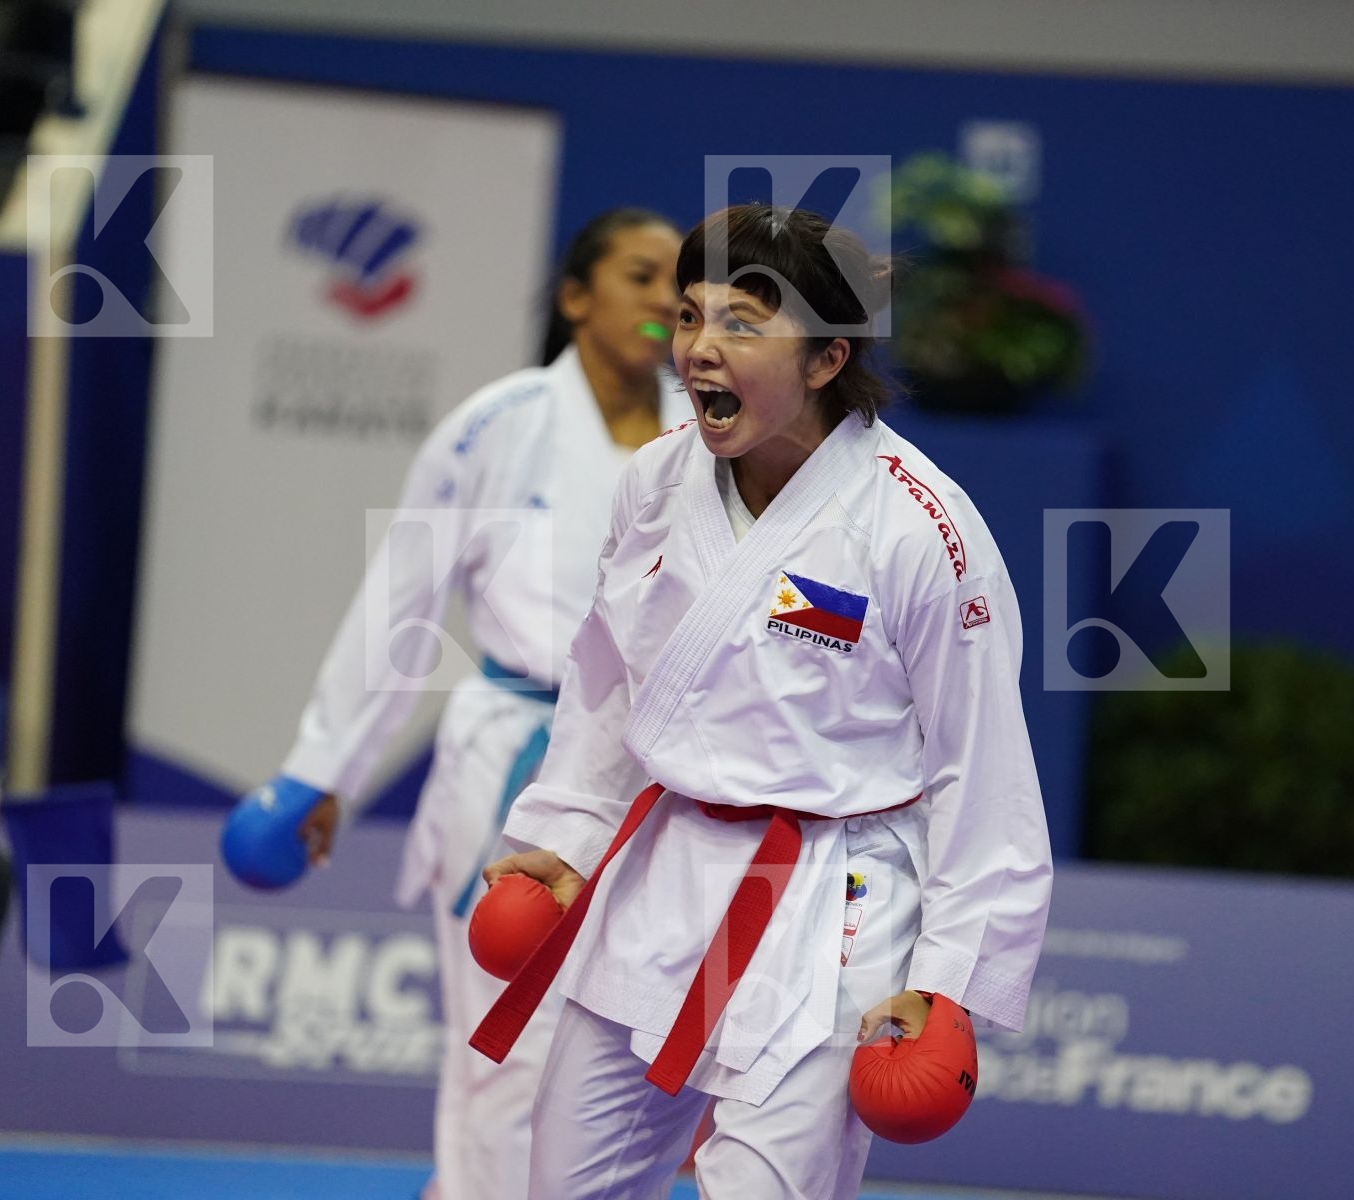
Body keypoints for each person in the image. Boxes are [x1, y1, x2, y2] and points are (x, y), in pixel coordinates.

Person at [478, 204, 1054, 1199]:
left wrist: (946, 979)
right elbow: (610, 682)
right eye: (689, 315)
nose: (697, 348)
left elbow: (981, 768)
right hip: (662, 877)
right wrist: (567, 833)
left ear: (826, 361)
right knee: (562, 1185)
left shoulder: (920, 529)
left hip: (833, 904)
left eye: (741, 323)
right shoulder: (655, 483)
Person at [268, 208, 692, 1200]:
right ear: (576, 296)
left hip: (661, 779)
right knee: (504, 1045)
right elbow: (400, 601)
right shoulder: (499, 425)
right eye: (640, 277)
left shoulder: (708, 430)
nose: (666, 303)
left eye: (680, 283)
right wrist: (324, 768)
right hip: (519, 754)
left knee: (629, 1056)